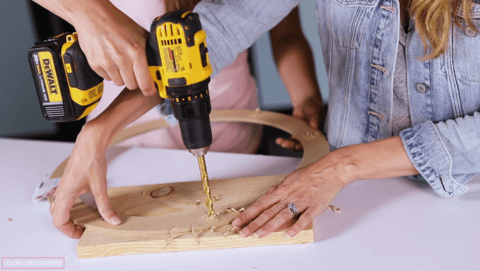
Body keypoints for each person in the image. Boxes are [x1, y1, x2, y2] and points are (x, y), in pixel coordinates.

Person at [32, 0, 324, 238]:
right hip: (126, 149)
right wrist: (90, 12)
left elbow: (272, 28)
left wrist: (306, 98)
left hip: (234, 137)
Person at [191, 0, 480, 239]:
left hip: (465, 194)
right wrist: (159, 77)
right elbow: (228, 21)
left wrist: (342, 165)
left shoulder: (337, 170)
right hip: (344, 193)